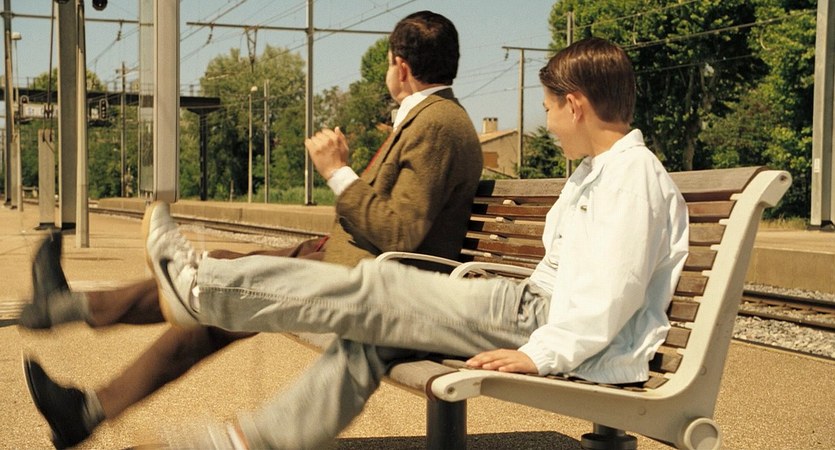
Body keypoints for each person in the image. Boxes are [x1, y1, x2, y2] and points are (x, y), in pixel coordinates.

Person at [139, 36, 691, 449]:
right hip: (530, 309)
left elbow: (610, 295)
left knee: (377, 287)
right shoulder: (600, 172)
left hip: (540, 323)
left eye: (548, 109)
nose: (547, 123)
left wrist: (539, 355)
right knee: (372, 334)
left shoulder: (631, 176)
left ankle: (200, 287)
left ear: (575, 104)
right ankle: (249, 441)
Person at [21, 10, 483, 449]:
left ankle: (77, 342)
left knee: (215, 291)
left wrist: (337, 172)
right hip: (342, 258)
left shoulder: (438, 124)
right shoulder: (430, 118)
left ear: (401, 67)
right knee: (216, 287)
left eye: (387, 65)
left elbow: (400, 232)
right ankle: (82, 384)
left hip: (376, 282)